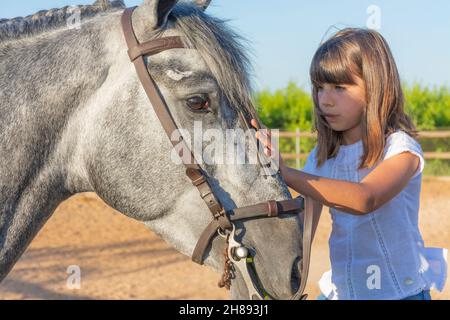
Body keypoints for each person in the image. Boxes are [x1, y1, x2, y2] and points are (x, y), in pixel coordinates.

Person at [251, 28, 447, 300]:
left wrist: (287, 173)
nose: (325, 100)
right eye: (320, 87)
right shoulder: (322, 157)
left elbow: (365, 199)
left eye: (339, 88)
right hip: (343, 292)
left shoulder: (400, 150)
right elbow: (301, 230)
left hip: (399, 293)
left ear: (375, 88)